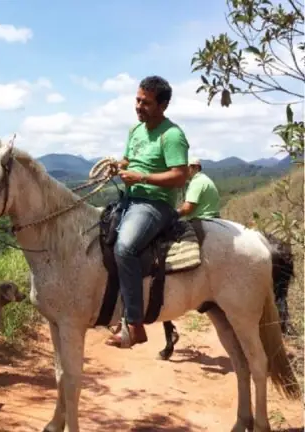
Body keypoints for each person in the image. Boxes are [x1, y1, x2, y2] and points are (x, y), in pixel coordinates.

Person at [106, 75, 190, 349]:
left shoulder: (172, 135)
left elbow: (179, 176)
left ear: (163, 106)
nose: (139, 106)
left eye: (146, 103)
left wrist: (141, 178)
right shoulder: (135, 131)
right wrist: (118, 166)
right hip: (130, 199)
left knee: (126, 248)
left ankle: (134, 325)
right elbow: (129, 160)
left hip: (156, 204)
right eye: (138, 100)